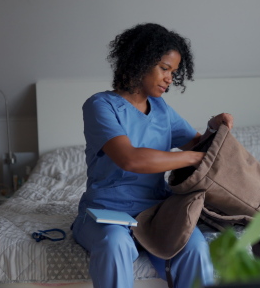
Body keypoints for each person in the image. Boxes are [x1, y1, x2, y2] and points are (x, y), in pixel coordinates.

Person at [71, 23, 234, 288]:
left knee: (195, 248)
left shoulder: (161, 109)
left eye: (174, 72)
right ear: (139, 62)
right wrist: (193, 159)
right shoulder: (100, 105)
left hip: (156, 212)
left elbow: (197, 146)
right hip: (107, 211)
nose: (170, 78)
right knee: (115, 244)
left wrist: (212, 127)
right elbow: (130, 159)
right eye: (164, 68)